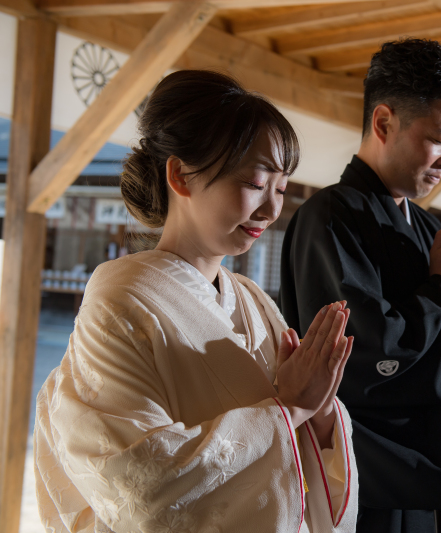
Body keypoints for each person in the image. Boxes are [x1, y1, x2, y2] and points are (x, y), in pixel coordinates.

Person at [34, 70, 358, 533]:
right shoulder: (120, 299)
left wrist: (321, 411)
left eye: (281, 189)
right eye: (255, 182)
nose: (271, 210)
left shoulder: (252, 300)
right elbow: (137, 483)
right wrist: (289, 412)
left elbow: (303, 446)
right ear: (181, 175)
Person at [279, 39, 441, 533]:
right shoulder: (330, 218)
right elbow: (359, 356)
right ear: (383, 123)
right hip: (370, 474)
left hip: (426, 471)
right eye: (440, 139)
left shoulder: (424, 225)